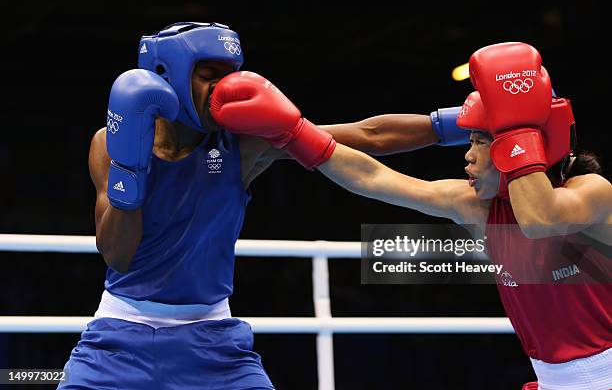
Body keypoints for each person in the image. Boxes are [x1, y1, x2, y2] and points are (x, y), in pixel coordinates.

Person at [59, 22, 461, 389]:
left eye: (229, 76)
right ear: (168, 75)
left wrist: (463, 122)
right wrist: (132, 172)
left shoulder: (243, 143)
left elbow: (368, 135)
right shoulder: (110, 142)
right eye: (208, 76)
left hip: (213, 343)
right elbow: (117, 255)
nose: (223, 89)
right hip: (118, 339)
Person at [206, 42, 611, 389]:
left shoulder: (593, 193)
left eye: (481, 143)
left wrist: (517, 132)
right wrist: (294, 132)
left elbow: (542, 218)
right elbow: (372, 175)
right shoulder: (477, 206)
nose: (467, 156)